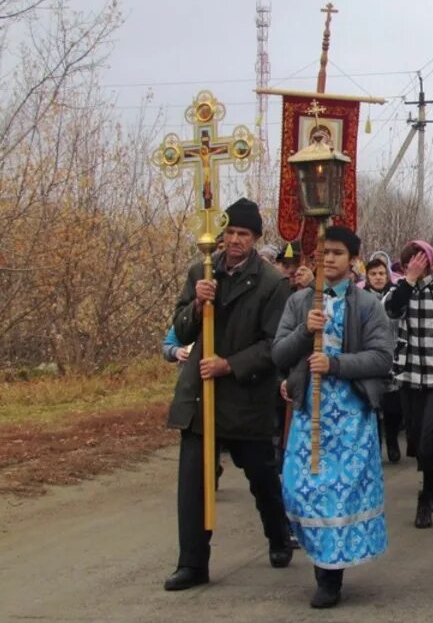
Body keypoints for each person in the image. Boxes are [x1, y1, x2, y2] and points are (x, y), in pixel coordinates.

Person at [163, 198, 293, 592]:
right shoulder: (199, 272)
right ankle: (192, 564)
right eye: (230, 233)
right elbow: (181, 330)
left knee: (261, 476)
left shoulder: (272, 283)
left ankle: (278, 534)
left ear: (255, 238)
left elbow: (275, 345)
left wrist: (230, 365)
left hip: (245, 398)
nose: (235, 241)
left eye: (244, 234)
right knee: (194, 484)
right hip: (200, 398)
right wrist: (199, 303)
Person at [272, 226, 393, 608]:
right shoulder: (299, 302)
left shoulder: (368, 305)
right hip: (310, 412)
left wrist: (336, 363)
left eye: (338, 253)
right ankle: (317, 555)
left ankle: (329, 578)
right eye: (323, 252)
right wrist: (306, 334)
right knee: (299, 488)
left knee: (337, 497)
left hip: (351, 414)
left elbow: (382, 357)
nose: (329, 259)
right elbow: (279, 354)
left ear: (353, 260)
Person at [384, 240, 433, 529]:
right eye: (410, 261)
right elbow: (391, 312)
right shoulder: (400, 289)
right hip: (410, 371)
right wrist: (409, 280)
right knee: (417, 437)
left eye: (421, 261)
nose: (416, 266)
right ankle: (432, 482)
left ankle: (423, 497)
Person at [361, 252, 403, 463]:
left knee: (393, 407)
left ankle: (393, 439)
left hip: (393, 355)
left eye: (381, 274)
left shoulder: (396, 295)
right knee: (373, 403)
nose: (378, 277)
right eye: (373, 274)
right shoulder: (359, 296)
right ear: (367, 276)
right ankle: (375, 445)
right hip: (369, 355)